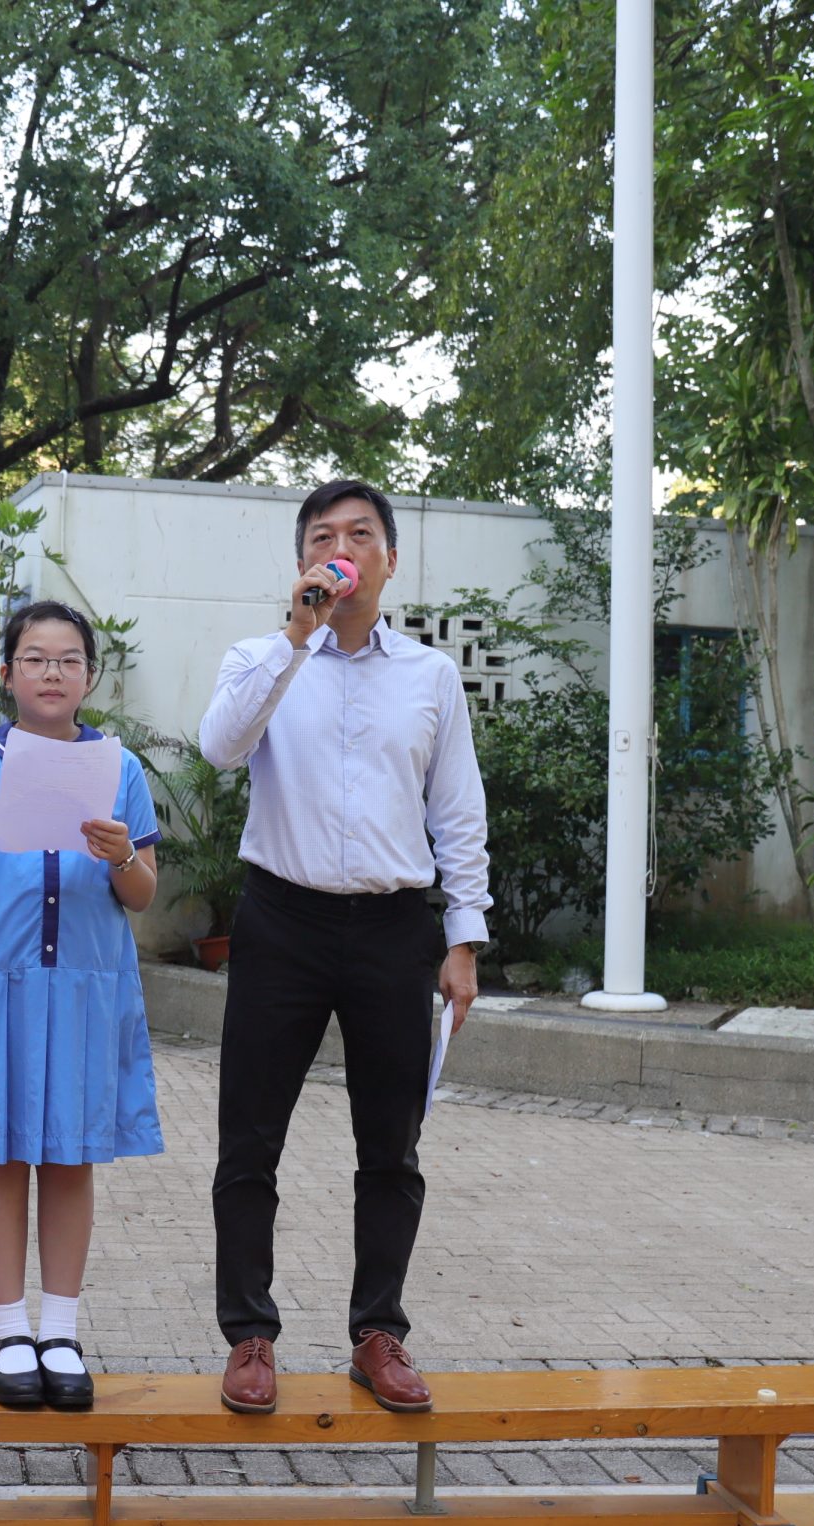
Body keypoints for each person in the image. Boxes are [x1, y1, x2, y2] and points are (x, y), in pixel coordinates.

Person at [198, 480, 491, 1416]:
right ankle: (250, 1334)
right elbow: (219, 747)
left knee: (392, 1144)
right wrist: (297, 637)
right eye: (323, 536)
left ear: (389, 560)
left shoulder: (430, 676)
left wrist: (464, 937)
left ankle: (378, 1332)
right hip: (281, 921)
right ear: (302, 563)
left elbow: (458, 810)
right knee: (250, 1138)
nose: (342, 548)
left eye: (361, 534)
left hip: (394, 928)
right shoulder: (262, 656)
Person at [0, 601, 165, 1409]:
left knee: (69, 1156)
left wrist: (121, 853)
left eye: (68, 659)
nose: (51, 672)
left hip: (87, 989)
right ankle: (8, 1330)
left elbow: (142, 894)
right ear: (7, 673)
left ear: (90, 675)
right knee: (0, 1154)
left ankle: (60, 1330)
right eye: (35, 658)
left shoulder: (121, 770)